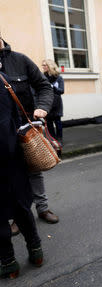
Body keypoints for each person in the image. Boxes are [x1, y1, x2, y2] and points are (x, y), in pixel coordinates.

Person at [0, 34, 59, 227]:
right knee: (10, 174)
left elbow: (44, 86)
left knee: (34, 168)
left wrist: (42, 107)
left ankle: (42, 208)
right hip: (3, 133)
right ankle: (18, 215)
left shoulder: (20, 59)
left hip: (26, 127)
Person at [0, 72, 44, 279]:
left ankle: (9, 264)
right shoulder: (3, 78)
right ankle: (36, 253)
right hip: (14, 157)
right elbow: (17, 117)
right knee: (22, 207)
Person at [42, 59, 64, 143]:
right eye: (42, 65)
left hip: (56, 103)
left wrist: (53, 87)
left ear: (50, 66)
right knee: (49, 123)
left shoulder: (58, 78)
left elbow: (61, 91)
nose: (43, 67)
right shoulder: (42, 77)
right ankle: (53, 140)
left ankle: (59, 139)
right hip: (47, 103)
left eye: (45, 65)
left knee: (58, 122)